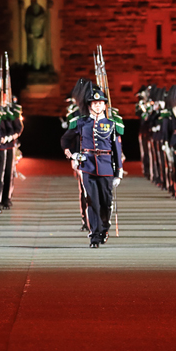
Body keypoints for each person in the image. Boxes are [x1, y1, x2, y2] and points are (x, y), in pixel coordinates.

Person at [60, 84, 124, 248]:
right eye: (95, 103)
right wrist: (72, 154)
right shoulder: (81, 123)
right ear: (89, 105)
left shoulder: (111, 124)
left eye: (101, 103)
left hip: (106, 166)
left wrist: (118, 172)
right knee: (92, 201)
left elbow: (116, 149)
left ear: (104, 105)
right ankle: (94, 235)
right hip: (87, 165)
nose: (98, 105)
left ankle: (104, 228)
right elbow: (65, 140)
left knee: (106, 202)